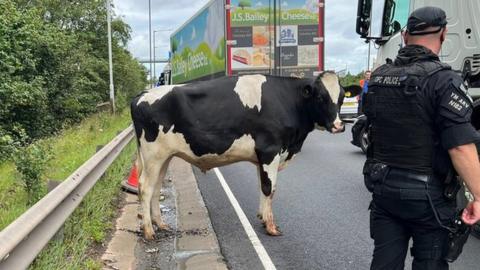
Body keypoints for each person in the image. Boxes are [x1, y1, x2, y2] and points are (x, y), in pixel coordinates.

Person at [362, 6, 480, 270]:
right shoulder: (444, 81)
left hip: (383, 189)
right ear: (444, 33)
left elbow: (371, 126)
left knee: (384, 263)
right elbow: (460, 146)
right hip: (428, 198)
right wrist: (479, 197)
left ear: (405, 36)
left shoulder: (379, 77)